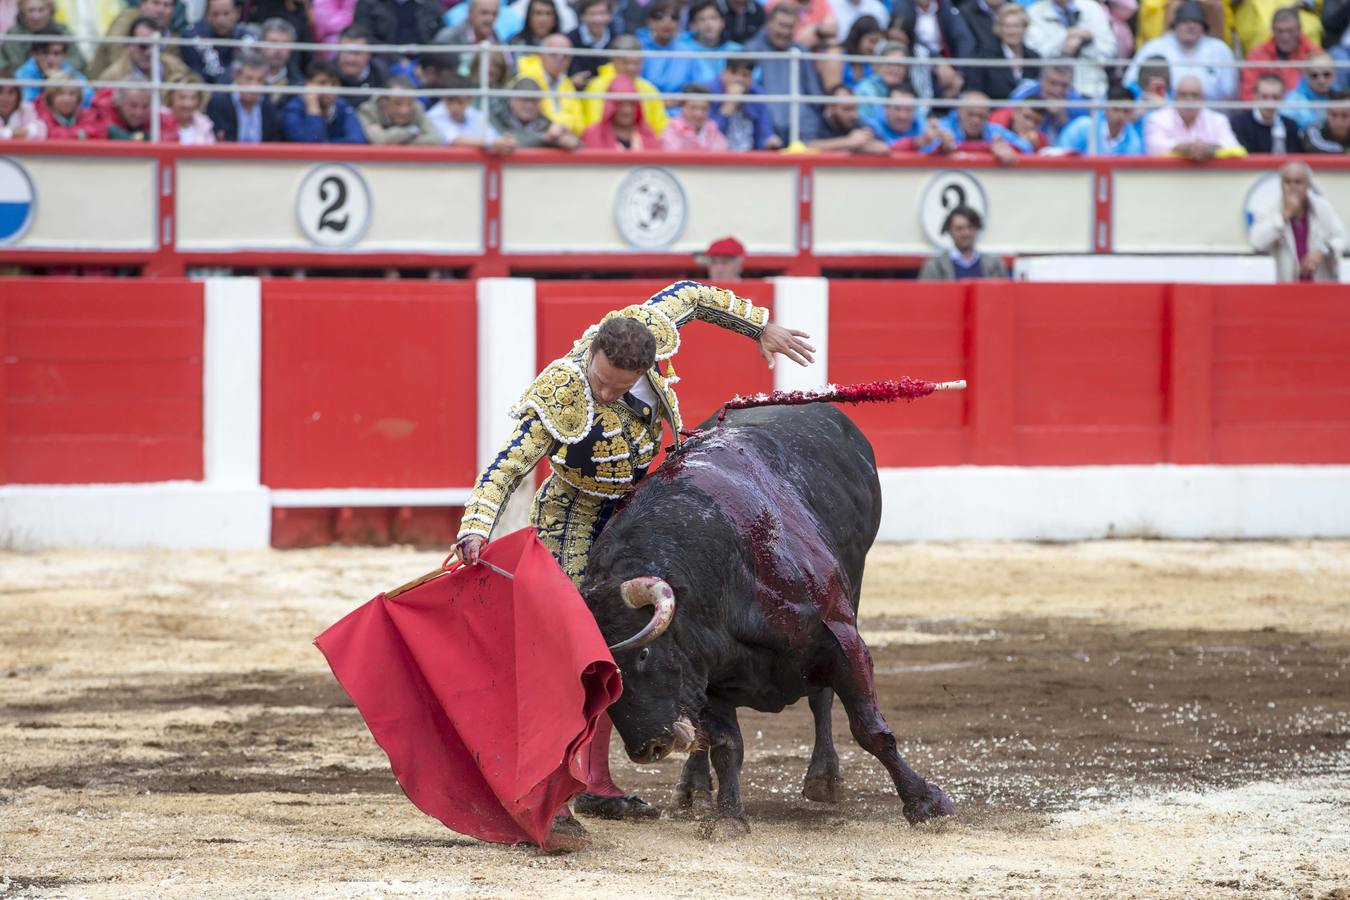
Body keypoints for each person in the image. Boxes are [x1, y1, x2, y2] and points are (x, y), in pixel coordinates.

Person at [451, 282, 814, 827]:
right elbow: (505, 467)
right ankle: (559, 786)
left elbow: (695, 294)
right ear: (593, 352)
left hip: (639, 509)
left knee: (664, 629)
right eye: (599, 380)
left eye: (616, 388)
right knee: (573, 650)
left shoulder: (649, 327)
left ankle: (609, 775)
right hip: (573, 520)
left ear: (644, 369)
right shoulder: (563, 390)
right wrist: (476, 527)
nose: (602, 393)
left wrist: (759, 326)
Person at [744, 0, 827, 143]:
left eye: (790, 27)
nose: (785, 32)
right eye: (782, 25)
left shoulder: (801, 51)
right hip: (765, 134)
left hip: (803, 133)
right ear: (768, 23)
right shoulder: (750, 50)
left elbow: (814, 94)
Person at [1249, 161, 1346, 281]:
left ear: (1308, 185)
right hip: (1285, 288)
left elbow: (1342, 239)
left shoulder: (1322, 207)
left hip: (1320, 285)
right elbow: (1257, 243)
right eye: (1287, 182)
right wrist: (1284, 216)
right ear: (1281, 184)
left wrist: (1323, 250)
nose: (1292, 187)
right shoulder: (1270, 210)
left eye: (1298, 182)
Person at [1125, 1, 1237, 102]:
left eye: (1196, 22)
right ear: (1175, 25)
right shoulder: (1154, 47)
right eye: (1185, 21)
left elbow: (1230, 93)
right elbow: (1129, 83)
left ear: (1204, 27)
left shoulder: (1220, 49)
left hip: (1210, 117)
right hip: (1162, 116)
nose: (1191, 26)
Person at [1023, 0, 1116, 98]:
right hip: (1052, 93)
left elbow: (1109, 51)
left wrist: (1085, 41)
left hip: (1091, 91)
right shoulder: (1034, 12)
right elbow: (1034, 55)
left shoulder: (1093, 8)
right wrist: (1066, 38)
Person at [581, 34, 668, 135]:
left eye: (636, 63)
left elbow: (661, 127)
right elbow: (594, 125)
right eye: (626, 62)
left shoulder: (648, 88)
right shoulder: (598, 87)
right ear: (613, 60)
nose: (632, 68)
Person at [1143, 73, 1243, 159]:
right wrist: (1187, 149)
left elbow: (1234, 148)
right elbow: (1154, 147)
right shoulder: (1157, 119)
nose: (1189, 99)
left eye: (1194, 95)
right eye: (1183, 94)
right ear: (1175, 98)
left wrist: (1210, 149)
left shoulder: (1218, 120)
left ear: (1203, 99)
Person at [918, 89, 1032, 162]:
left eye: (981, 116)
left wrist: (1009, 149)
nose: (976, 120)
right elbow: (921, 149)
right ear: (959, 112)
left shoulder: (993, 130)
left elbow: (1027, 147)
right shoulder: (942, 126)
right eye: (970, 114)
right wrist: (940, 147)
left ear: (988, 116)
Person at [281, 58, 368, 142]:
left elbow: (357, 141)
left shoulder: (343, 107)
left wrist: (326, 144)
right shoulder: (292, 110)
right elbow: (312, 148)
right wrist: (313, 110)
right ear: (308, 84)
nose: (328, 89)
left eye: (334, 84)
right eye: (322, 83)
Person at [995, 63, 1085, 142]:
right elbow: (1002, 123)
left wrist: (1062, 118)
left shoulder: (1076, 102)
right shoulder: (1024, 95)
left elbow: (1082, 137)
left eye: (1064, 85)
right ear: (1042, 80)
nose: (1057, 91)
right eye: (1053, 83)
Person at [516, 33, 587, 134]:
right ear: (541, 54)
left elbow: (580, 124)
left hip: (565, 140)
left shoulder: (567, 83)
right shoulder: (525, 79)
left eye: (565, 56)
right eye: (554, 54)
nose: (560, 59)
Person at [1241, 8, 1318, 100]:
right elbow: (1248, 95)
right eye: (1280, 31)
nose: (1285, 36)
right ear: (1273, 31)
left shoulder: (1314, 54)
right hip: (1269, 111)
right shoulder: (1256, 57)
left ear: (1299, 30)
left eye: (1290, 31)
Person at [967, 4, 1040, 101]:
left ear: (1024, 28)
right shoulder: (985, 57)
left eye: (1017, 26)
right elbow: (976, 92)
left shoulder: (1034, 58)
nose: (1012, 31)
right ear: (999, 29)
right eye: (1007, 26)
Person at [207, 49, 284, 141]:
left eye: (259, 80)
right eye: (249, 79)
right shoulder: (219, 103)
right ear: (235, 76)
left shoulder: (268, 107)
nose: (254, 86)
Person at [89, 0, 179, 78]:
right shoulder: (125, 21)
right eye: (155, 3)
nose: (160, 10)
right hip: (106, 87)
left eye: (167, 5)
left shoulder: (173, 36)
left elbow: (175, 71)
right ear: (142, 4)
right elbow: (115, 52)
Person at [426, 70, 516, 148]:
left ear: (469, 99)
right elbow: (455, 141)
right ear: (442, 98)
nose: (455, 107)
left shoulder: (475, 115)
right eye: (449, 101)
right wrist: (494, 143)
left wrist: (506, 142)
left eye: (460, 101)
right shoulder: (434, 115)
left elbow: (493, 137)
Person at [490, 73, 583, 146]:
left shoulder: (544, 123)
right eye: (524, 99)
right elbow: (511, 142)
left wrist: (569, 139)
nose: (529, 105)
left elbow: (580, 146)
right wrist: (546, 138)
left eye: (534, 100)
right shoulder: (496, 118)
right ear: (511, 99)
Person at [706, 57, 780, 149]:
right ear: (724, 73)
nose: (739, 79)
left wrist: (768, 142)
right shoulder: (709, 92)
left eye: (745, 75)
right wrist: (728, 107)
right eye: (734, 73)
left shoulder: (756, 95)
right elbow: (707, 137)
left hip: (749, 158)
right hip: (716, 157)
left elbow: (764, 133)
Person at [919, 206, 1008, 279]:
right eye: (959, 228)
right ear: (950, 231)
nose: (966, 233)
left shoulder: (996, 265)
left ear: (977, 229)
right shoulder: (934, 267)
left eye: (970, 227)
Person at [182, 0, 259, 84]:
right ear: (207, 14)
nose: (220, 20)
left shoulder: (249, 38)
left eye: (226, 14)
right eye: (215, 14)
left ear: (238, 12)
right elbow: (196, 77)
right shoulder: (193, 38)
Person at [100, 17, 192, 87]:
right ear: (130, 45)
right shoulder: (111, 79)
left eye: (155, 46)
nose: (149, 52)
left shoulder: (177, 68)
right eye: (143, 46)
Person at [0, 0, 85, 72]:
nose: (36, 16)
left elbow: (78, 61)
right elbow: (8, 64)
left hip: (58, 82)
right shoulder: (14, 34)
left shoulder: (62, 32)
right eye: (31, 10)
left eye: (41, 10)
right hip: (22, 82)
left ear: (50, 11)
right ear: (23, 13)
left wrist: (58, 71)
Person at [1056, 84, 1144, 154]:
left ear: (1132, 112)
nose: (1120, 115)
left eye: (1126, 111)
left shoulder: (1134, 142)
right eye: (1115, 109)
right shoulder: (1082, 127)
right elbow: (1061, 154)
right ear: (1105, 109)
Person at [357, 73, 442, 143]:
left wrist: (393, 140)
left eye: (409, 104)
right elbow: (379, 141)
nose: (404, 110)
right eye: (398, 104)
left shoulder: (416, 107)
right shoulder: (367, 111)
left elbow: (436, 139)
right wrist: (412, 131)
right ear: (383, 101)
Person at [1231, 72, 1304, 153]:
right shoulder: (1238, 124)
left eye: (1275, 97)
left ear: (1283, 97)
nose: (1270, 103)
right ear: (1255, 96)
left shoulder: (1290, 126)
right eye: (1264, 97)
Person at [805, 83, 890, 152]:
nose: (854, 115)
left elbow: (884, 148)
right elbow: (808, 145)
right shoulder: (815, 121)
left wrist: (860, 143)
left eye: (855, 109)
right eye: (847, 109)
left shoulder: (857, 122)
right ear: (830, 108)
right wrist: (848, 142)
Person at [15, 29, 92, 104]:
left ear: (64, 56)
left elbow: (89, 97)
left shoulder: (68, 71)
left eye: (56, 53)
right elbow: (27, 104)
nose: (50, 59)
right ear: (34, 54)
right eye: (45, 53)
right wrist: (50, 82)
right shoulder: (22, 75)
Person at [582, 74, 660, 147]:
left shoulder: (647, 134)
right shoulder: (593, 135)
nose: (627, 110)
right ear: (611, 106)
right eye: (621, 105)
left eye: (631, 104)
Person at [675, 0, 742, 85]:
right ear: (692, 25)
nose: (708, 24)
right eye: (702, 19)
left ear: (722, 22)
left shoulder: (736, 50)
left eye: (713, 18)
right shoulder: (681, 49)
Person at [637, 2, 694, 92]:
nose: (667, 22)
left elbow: (696, 85)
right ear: (650, 22)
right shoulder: (639, 48)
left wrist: (680, 100)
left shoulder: (687, 52)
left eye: (674, 17)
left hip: (679, 104)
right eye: (660, 16)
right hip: (646, 102)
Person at [661, 82, 730, 149]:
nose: (699, 114)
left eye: (704, 108)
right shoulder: (672, 129)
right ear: (683, 106)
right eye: (693, 108)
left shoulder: (712, 128)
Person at [33, 72, 104, 138]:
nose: (66, 99)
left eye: (72, 94)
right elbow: (51, 133)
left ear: (79, 97)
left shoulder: (87, 114)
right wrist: (80, 134)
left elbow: (96, 132)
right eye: (60, 94)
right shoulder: (40, 114)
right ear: (50, 97)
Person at [351, 0, 443, 49]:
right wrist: (394, 58)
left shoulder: (431, 3)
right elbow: (364, 36)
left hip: (423, 61)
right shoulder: (368, 3)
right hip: (382, 58)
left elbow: (439, 35)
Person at [335, 24, 391, 102]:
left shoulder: (380, 72)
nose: (351, 59)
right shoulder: (329, 73)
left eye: (357, 53)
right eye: (345, 52)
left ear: (369, 53)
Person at [1281, 53, 1337, 130]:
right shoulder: (1292, 101)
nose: (1321, 80)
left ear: (1335, 75)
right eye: (1314, 75)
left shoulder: (1342, 98)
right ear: (1306, 76)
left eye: (1326, 74)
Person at [258, 17, 304, 104]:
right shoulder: (245, 78)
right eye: (273, 42)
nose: (278, 49)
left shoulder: (299, 83)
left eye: (284, 43)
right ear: (261, 45)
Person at [566, 0, 614, 81]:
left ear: (610, 16)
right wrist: (571, 81)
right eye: (592, 14)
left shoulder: (616, 39)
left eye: (602, 13)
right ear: (582, 16)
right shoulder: (569, 40)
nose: (597, 19)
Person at [164, 74, 216, 143]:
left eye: (193, 98)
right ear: (171, 98)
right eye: (182, 97)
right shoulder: (158, 121)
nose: (188, 104)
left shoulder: (205, 125)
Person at [0, 67, 47, 139]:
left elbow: (41, 129)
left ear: (18, 95)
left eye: (11, 92)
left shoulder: (25, 107)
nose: (5, 98)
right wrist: (11, 133)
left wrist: (28, 131)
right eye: (0, 92)